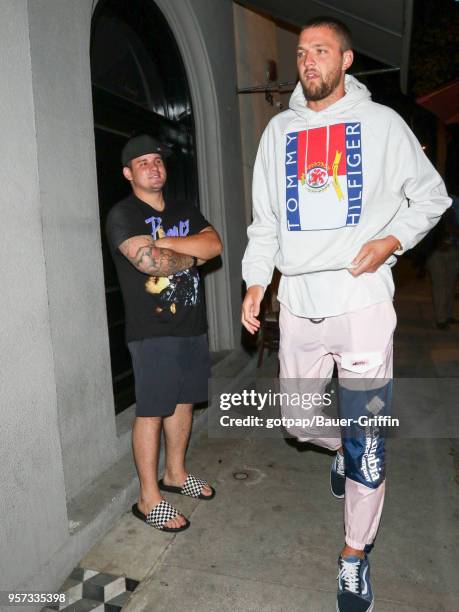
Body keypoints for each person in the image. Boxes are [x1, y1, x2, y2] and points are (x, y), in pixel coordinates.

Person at [241, 17, 450, 612]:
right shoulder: (278, 134)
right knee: (299, 422)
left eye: (321, 50)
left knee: (370, 442)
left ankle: (354, 555)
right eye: (302, 51)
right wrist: (257, 282)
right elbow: (265, 224)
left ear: (347, 59)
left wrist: (393, 241)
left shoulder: (383, 126)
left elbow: (432, 197)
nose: (308, 60)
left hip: (361, 307)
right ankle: (340, 450)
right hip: (301, 304)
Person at [106, 134, 222, 532]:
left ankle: (174, 473)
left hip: (192, 325)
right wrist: (192, 253)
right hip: (151, 331)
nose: (154, 166)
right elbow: (150, 263)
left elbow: (216, 244)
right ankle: (147, 497)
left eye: (157, 160)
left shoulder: (183, 208)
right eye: (143, 162)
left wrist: (169, 244)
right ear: (128, 173)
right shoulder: (123, 214)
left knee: (185, 402)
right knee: (153, 409)